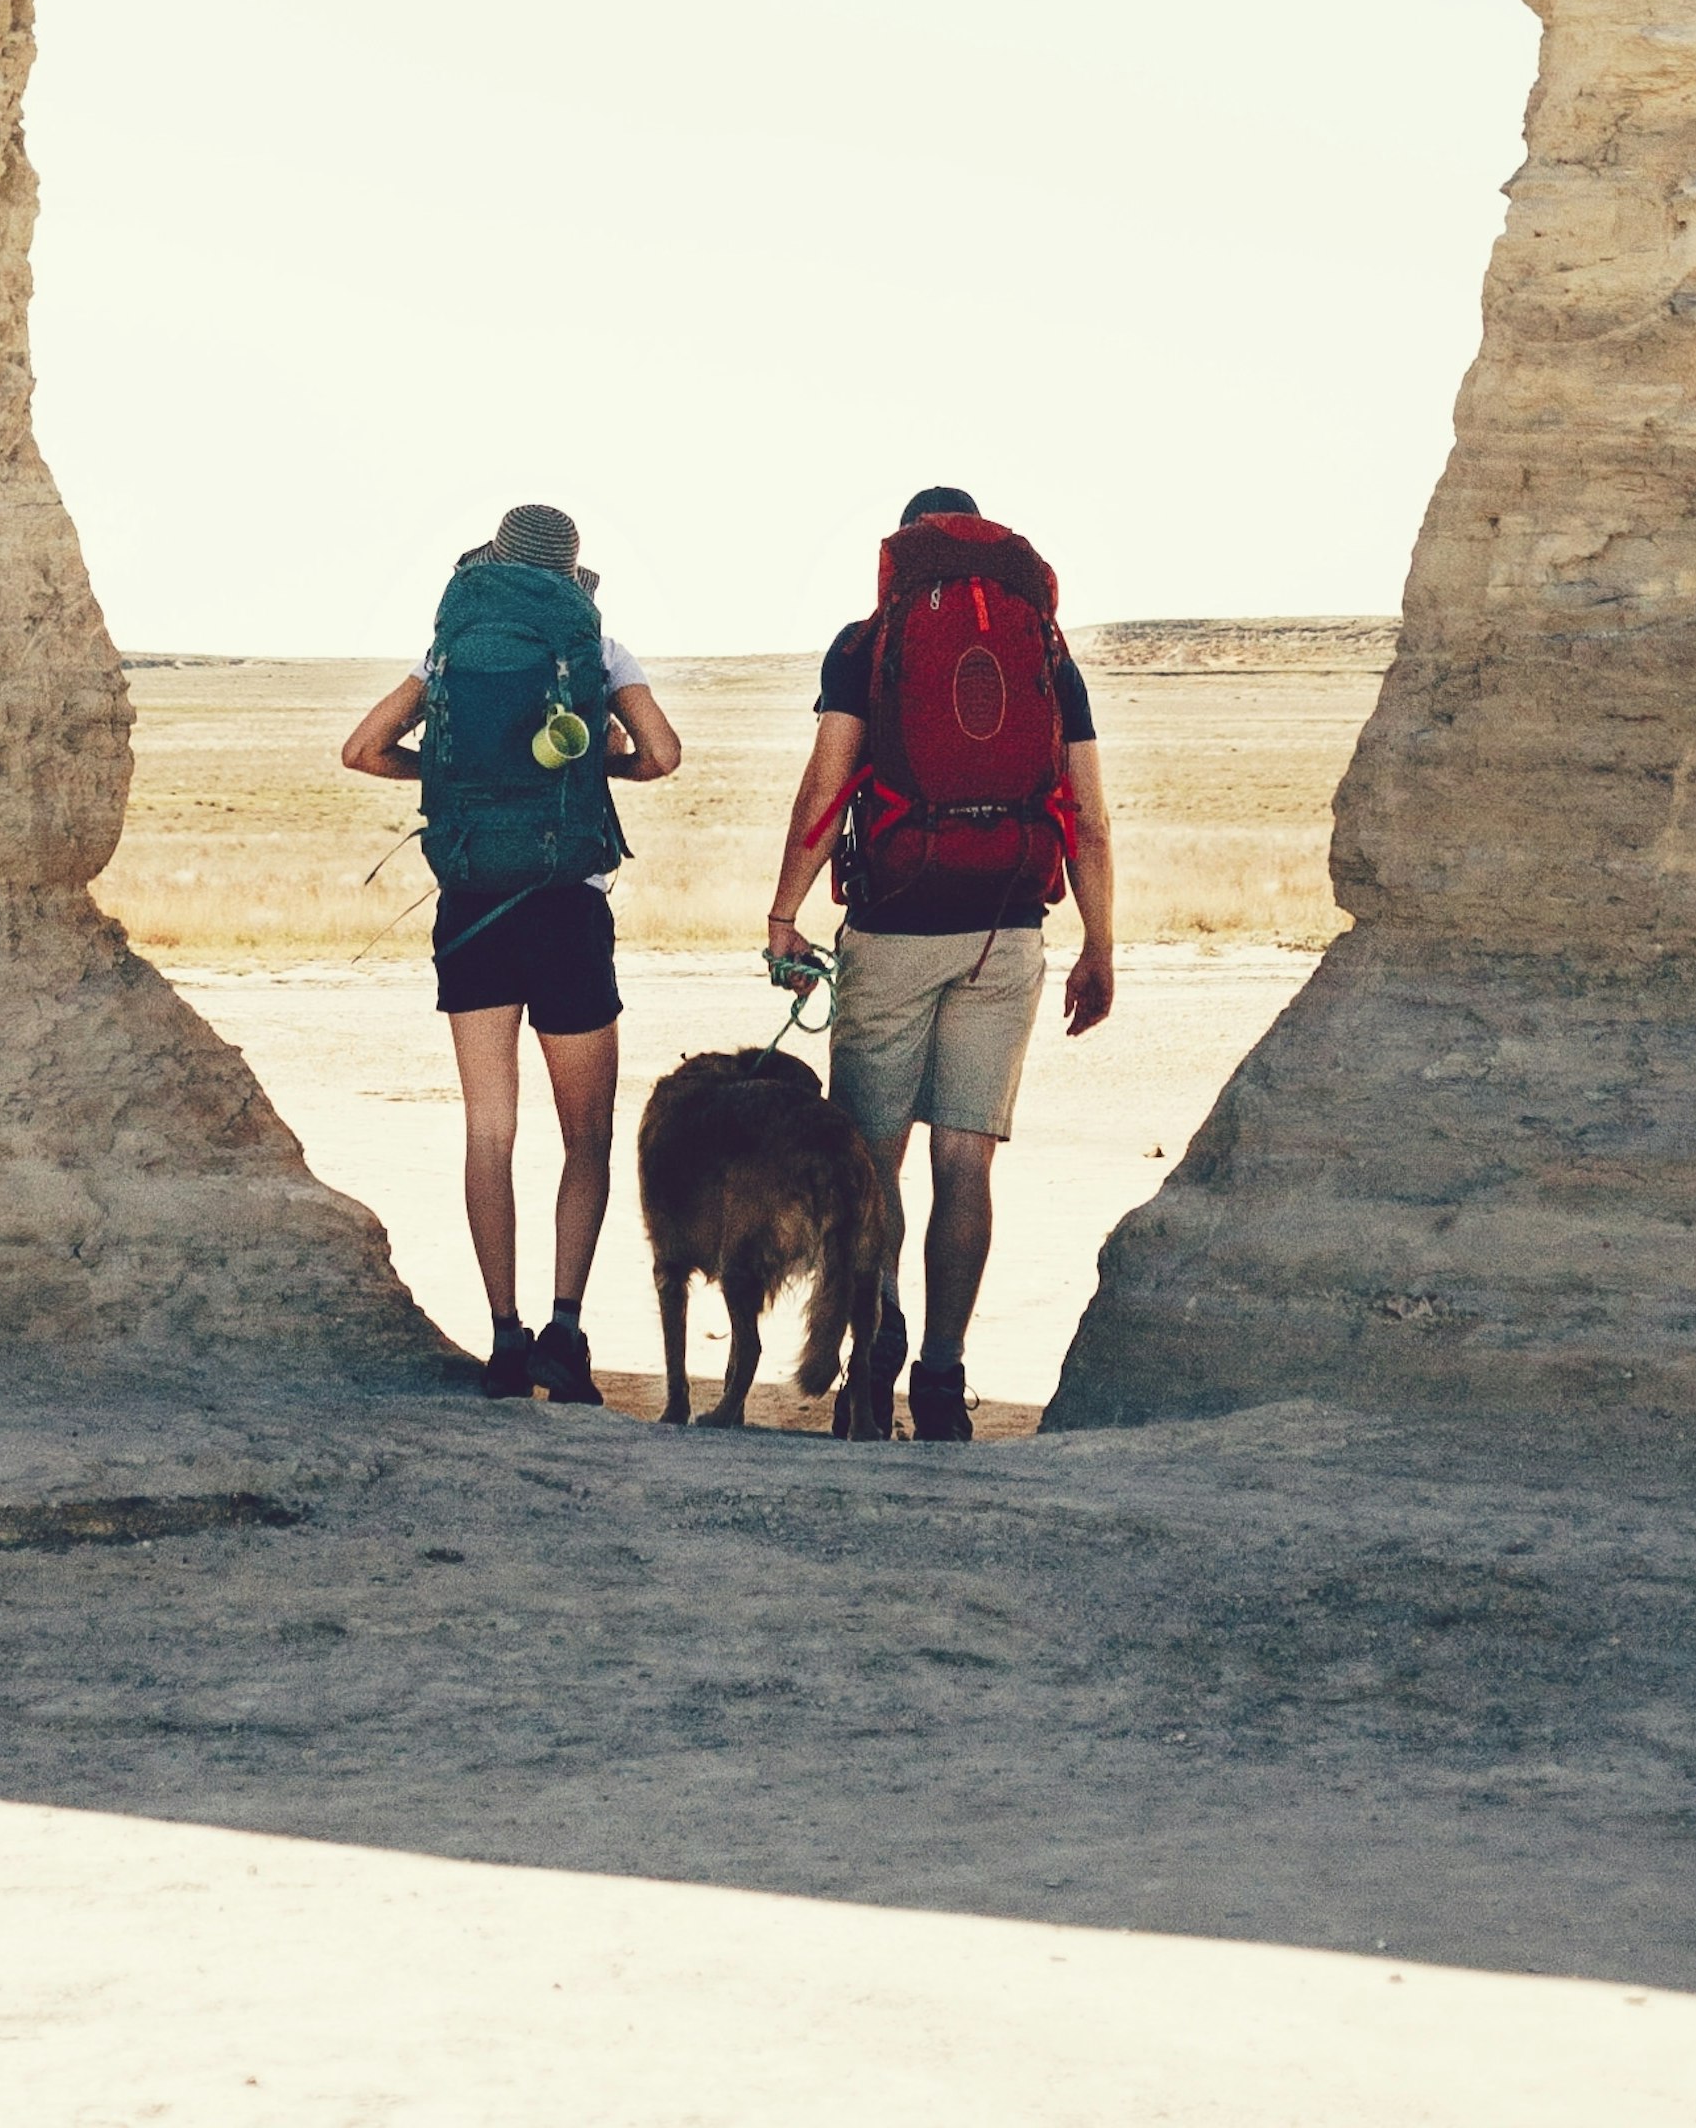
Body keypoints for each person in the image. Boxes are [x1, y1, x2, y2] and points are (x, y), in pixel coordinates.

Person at [761, 482, 1115, 1442]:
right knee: (967, 1161)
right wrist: (1100, 942)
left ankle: (874, 1363)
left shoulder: (868, 643)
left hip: (894, 927)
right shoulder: (1044, 649)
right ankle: (946, 1379)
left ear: (903, 554)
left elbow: (825, 788)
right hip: (1008, 927)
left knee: (872, 1162)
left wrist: (786, 912)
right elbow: (1084, 811)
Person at [340, 501, 683, 1402]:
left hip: (472, 907)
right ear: (572, 582)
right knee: (587, 1136)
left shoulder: (445, 655)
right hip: (567, 909)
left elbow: (363, 751)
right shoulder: (600, 654)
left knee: (489, 1132)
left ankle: (502, 1338)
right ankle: (565, 1334)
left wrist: (451, 780)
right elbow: (662, 757)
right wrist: (583, 768)